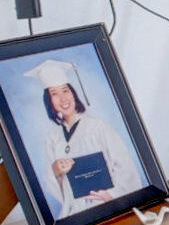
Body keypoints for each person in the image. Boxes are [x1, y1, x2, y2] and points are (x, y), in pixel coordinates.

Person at [25, 57, 142, 215]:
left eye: (65, 90)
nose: (63, 98)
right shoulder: (53, 138)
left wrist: (112, 195)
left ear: (73, 94)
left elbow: (125, 167)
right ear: (49, 101)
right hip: (75, 213)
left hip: (106, 205)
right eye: (55, 94)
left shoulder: (97, 127)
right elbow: (51, 183)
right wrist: (56, 171)